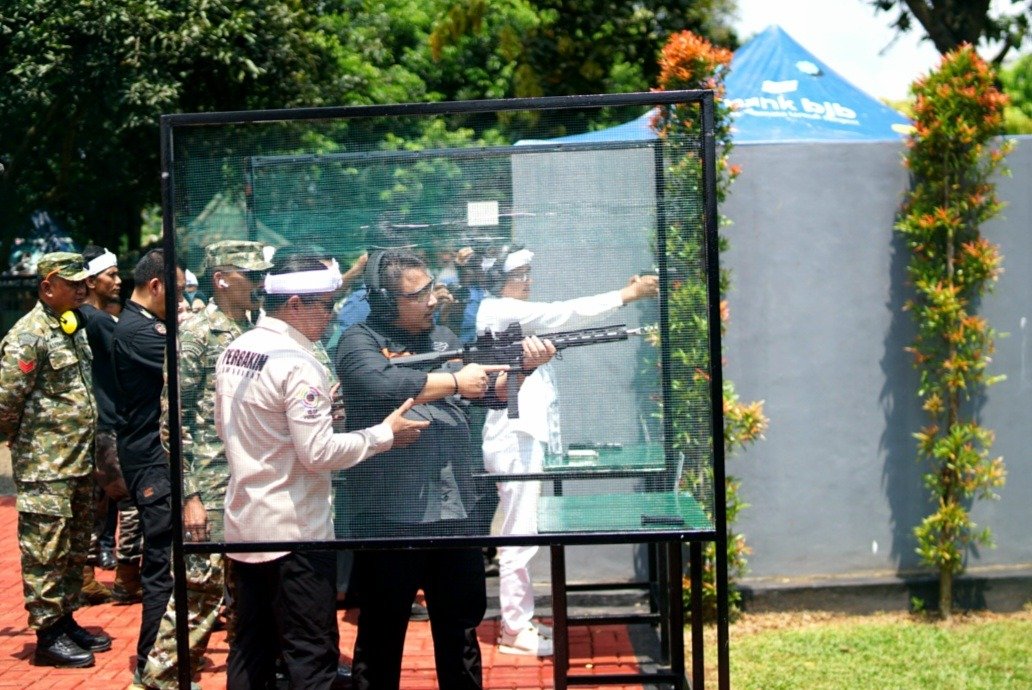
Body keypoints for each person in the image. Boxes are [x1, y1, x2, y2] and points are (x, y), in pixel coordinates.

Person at [334, 248, 554, 690]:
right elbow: (378, 382)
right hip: (389, 519)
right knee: (380, 638)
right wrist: (453, 381)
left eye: (432, 287)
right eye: (419, 294)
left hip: (454, 514)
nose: (434, 299)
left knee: (460, 635)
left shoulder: (443, 340)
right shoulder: (359, 340)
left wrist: (523, 369)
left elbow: (491, 394)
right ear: (385, 301)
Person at [215, 253, 430, 689]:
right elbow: (319, 453)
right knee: (310, 655)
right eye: (325, 305)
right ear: (294, 304)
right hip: (296, 533)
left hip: (245, 524)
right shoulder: (297, 361)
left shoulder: (237, 349)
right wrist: (384, 434)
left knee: (250, 651)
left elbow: (252, 425)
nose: (331, 316)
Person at [475, 248, 659, 656]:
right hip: (514, 437)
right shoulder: (500, 310)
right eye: (520, 274)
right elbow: (567, 313)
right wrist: (626, 297)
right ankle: (513, 630)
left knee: (522, 533)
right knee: (518, 536)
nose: (528, 280)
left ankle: (517, 621)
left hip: (521, 436)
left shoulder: (509, 314)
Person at [136, 241, 272, 690]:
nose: (260, 284)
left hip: (251, 482)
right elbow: (171, 420)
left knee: (247, 595)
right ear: (221, 279)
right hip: (211, 489)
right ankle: (157, 682)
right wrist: (190, 496)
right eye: (251, 276)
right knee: (198, 597)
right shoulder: (195, 336)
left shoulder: (256, 329)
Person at [0, 251, 113, 668]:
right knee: (45, 549)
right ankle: (47, 635)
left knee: (73, 548)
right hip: (47, 468)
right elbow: (5, 402)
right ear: (48, 285)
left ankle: (65, 620)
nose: (84, 288)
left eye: (86, 281)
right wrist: (28, 447)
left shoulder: (71, 328)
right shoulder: (28, 335)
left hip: (77, 462)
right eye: (74, 282)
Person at [112, 248, 185, 685]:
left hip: (156, 458)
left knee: (168, 560)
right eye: (176, 291)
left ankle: (159, 659)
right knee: (163, 563)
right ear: (155, 285)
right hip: (151, 462)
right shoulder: (140, 332)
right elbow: (184, 362)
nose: (180, 301)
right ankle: (153, 665)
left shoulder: (147, 324)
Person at [80, 244, 144, 608]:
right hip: (111, 423)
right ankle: (127, 576)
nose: (118, 281)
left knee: (95, 502)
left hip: (92, 424)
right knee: (130, 498)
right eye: (112, 275)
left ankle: (86, 576)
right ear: (90, 281)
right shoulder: (101, 321)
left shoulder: (77, 318)